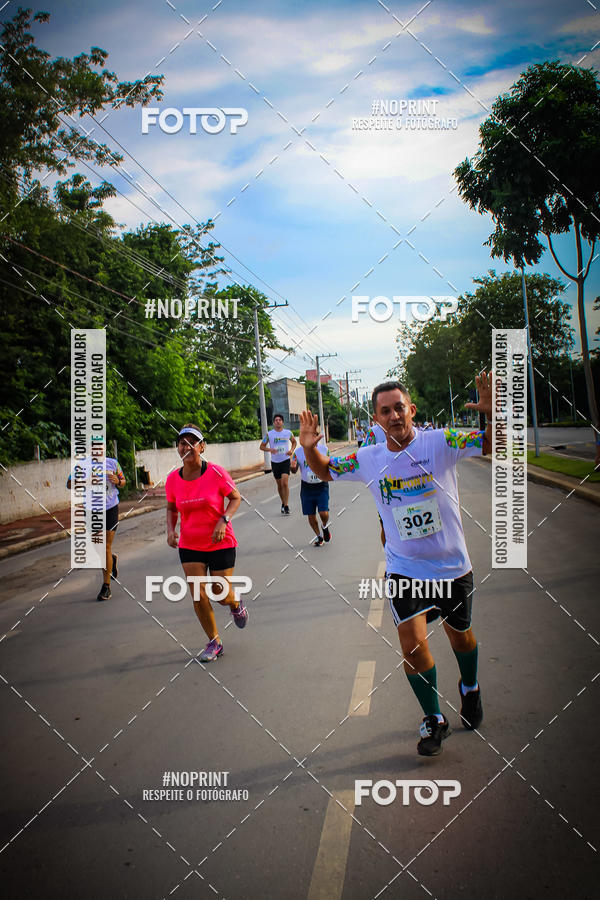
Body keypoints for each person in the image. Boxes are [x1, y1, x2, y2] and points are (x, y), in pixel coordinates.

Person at [299, 372, 493, 757]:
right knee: (412, 645)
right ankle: (434, 719)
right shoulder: (370, 459)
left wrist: (493, 414)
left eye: (399, 408)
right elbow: (325, 470)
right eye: (384, 411)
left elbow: (494, 444)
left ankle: (469, 687)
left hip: (452, 567)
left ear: (412, 410)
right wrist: (308, 448)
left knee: (461, 637)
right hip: (405, 570)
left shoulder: (440, 443)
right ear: (376, 419)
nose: (393, 416)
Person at [166, 424, 248, 663]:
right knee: (198, 593)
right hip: (190, 544)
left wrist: (224, 520)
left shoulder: (216, 472)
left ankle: (235, 602)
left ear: (202, 446)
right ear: (178, 448)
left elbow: (235, 497)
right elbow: (171, 508)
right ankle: (214, 641)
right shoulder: (172, 479)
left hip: (220, 541)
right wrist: (171, 530)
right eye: (182, 442)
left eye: (193, 442)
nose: (187, 446)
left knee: (220, 593)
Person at [67, 453, 125, 601]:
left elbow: (123, 481)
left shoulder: (112, 463)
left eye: (100, 446)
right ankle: (111, 559)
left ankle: (106, 587)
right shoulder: (82, 465)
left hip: (110, 507)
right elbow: (69, 484)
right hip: (91, 510)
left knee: (105, 546)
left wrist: (118, 480)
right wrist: (85, 481)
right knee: (98, 546)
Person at [291, 440, 332, 546]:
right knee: (311, 515)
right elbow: (294, 470)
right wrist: (292, 466)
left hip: (321, 485)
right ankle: (319, 537)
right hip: (306, 487)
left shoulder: (324, 450)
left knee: (323, 512)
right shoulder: (298, 452)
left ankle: (325, 526)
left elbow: (330, 465)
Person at [260, 414, 296, 514]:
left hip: (285, 460)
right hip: (275, 462)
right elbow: (261, 446)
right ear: (273, 423)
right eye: (276, 420)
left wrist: (291, 450)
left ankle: (287, 505)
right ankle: (283, 503)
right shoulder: (269, 434)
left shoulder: (288, 433)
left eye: (280, 420)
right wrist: (269, 449)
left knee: (285, 483)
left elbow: (294, 442)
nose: (278, 421)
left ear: (283, 422)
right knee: (280, 485)